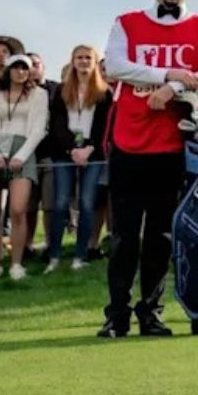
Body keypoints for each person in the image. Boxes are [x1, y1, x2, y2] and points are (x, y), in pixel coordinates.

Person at [99, 0, 198, 337]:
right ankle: (116, 315)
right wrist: (170, 72)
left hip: (173, 147)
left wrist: (172, 88)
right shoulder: (126, 23)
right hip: (127, 143)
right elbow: (115, 65)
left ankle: (151, 313)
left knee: (161, 236)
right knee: (123, 236)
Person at [0, 55, 49, 281]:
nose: (20, 72)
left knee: (18, 209)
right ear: (8, 70)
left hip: (23, 151)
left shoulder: (40, 95)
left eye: (25, 68)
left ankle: (16, 263)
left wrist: (20, 156)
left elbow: (39, 129)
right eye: (16, 67)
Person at [46, 45, 112, 271]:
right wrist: (70, 150)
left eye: (88, 58)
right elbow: (57, 124)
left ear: (94, 62)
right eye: (79, 57)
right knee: (62, 201)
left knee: (86, 203)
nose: (83, 61)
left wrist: (89, 149)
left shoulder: (105, 92)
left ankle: (80, 255)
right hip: (64, 153)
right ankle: (53, 256)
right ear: (72, 61)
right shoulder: (62, 90)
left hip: (93, 154)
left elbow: (104, 126)